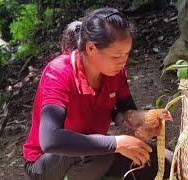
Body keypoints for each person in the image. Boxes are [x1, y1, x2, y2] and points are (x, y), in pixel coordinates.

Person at [22, 7, 172, 180]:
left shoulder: (115, 73)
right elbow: (51, 140)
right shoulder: (58, 72)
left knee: (164, 160)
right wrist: (116, 143)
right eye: (116, 56)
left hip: (93, 153)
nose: (123, 62)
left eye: (126, 54)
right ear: (91, 48)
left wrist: (143, 118)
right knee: (103, 153)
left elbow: (126, 111)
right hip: (46, 162)